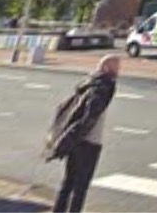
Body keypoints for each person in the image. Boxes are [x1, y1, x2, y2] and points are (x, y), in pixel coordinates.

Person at [46, 54, 121, 212]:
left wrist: (68, 140)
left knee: (68, 182)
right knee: (80, 187)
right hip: (88, 142)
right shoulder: (102, 88)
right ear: (107, 67)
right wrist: (77, 136)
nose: (119, 71)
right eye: (116, 66)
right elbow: (89, 117)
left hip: (75, 140)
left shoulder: (89, 82)